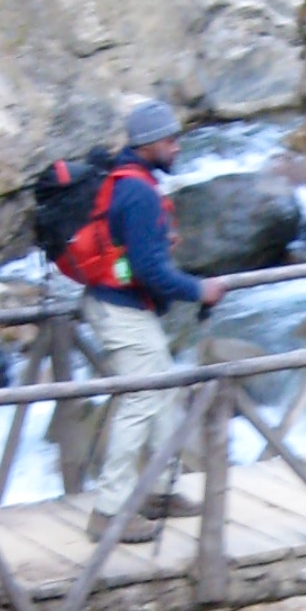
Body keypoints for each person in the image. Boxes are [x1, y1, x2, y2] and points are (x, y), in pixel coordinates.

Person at [59, 100, 227, 543]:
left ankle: (158, 488)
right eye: (171, 140)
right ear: (149, 143)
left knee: (162, 389)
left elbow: (136, 254)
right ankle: (109, 511)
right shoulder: (138, 191)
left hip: (121, 303)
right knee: (140, 399)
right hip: (120, 308)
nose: (177, 147)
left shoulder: (133, 184)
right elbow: (151, 272)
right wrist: (199, 290)